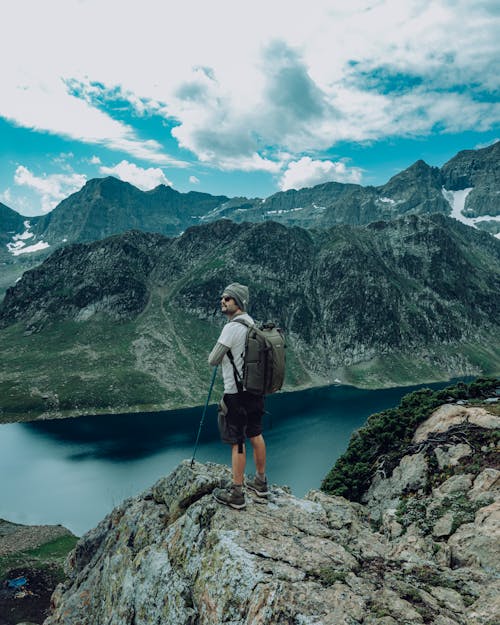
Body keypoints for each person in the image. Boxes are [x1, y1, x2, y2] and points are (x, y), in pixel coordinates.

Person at [208, 282, 269, 509]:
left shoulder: (231, 327)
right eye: (223, 298)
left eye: (228, 298)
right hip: (255, 391)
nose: (223, 301)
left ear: (238, 302)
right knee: (256, 434)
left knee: (237, 442)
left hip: (235, 394)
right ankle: (261, 483)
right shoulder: (252, 323)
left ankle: (237, 494)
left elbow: (213, 359)